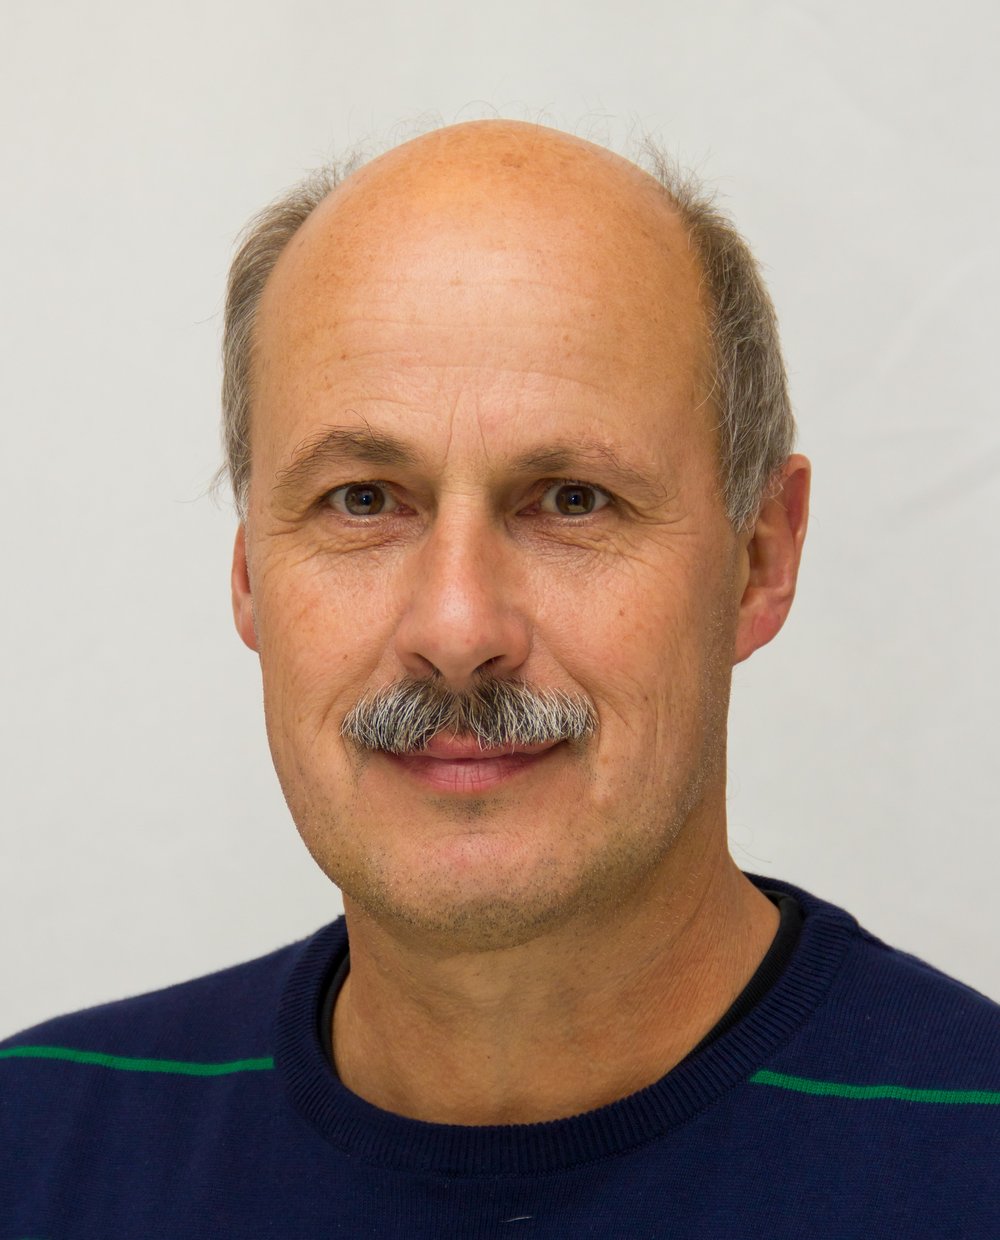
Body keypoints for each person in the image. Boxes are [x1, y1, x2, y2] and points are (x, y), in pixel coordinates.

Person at [1, 120, 997, 1238]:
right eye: (363, 500)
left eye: (573, 499)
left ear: (760, 558)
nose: (457, 628)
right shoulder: (34, 1153)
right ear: (248, 576)